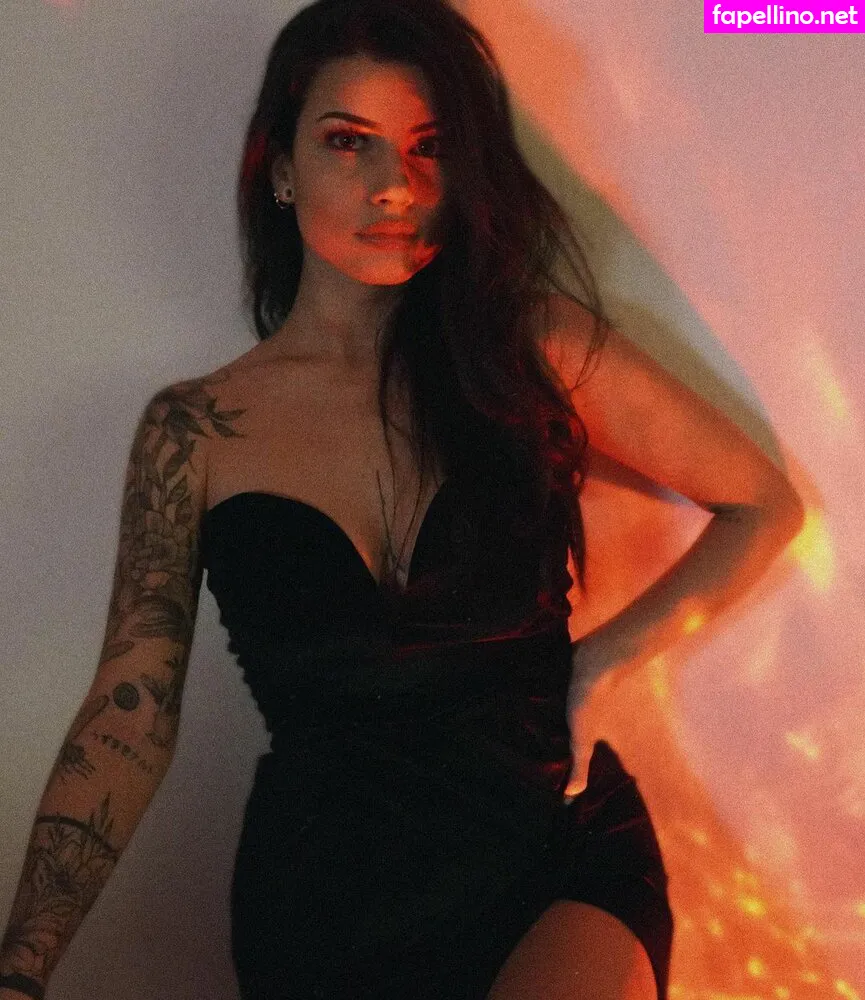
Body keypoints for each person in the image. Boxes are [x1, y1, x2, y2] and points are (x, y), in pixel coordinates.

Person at [0, 1, 805, 998]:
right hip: (329, 889)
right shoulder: (195, 430)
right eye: (350, 142)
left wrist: (602, 660)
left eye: (429, 147)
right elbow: (128, 717)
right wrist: (22, 968)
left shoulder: (532, 349)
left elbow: (761, 504)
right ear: (280, 169)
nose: (394, 187)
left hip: (553, 843)